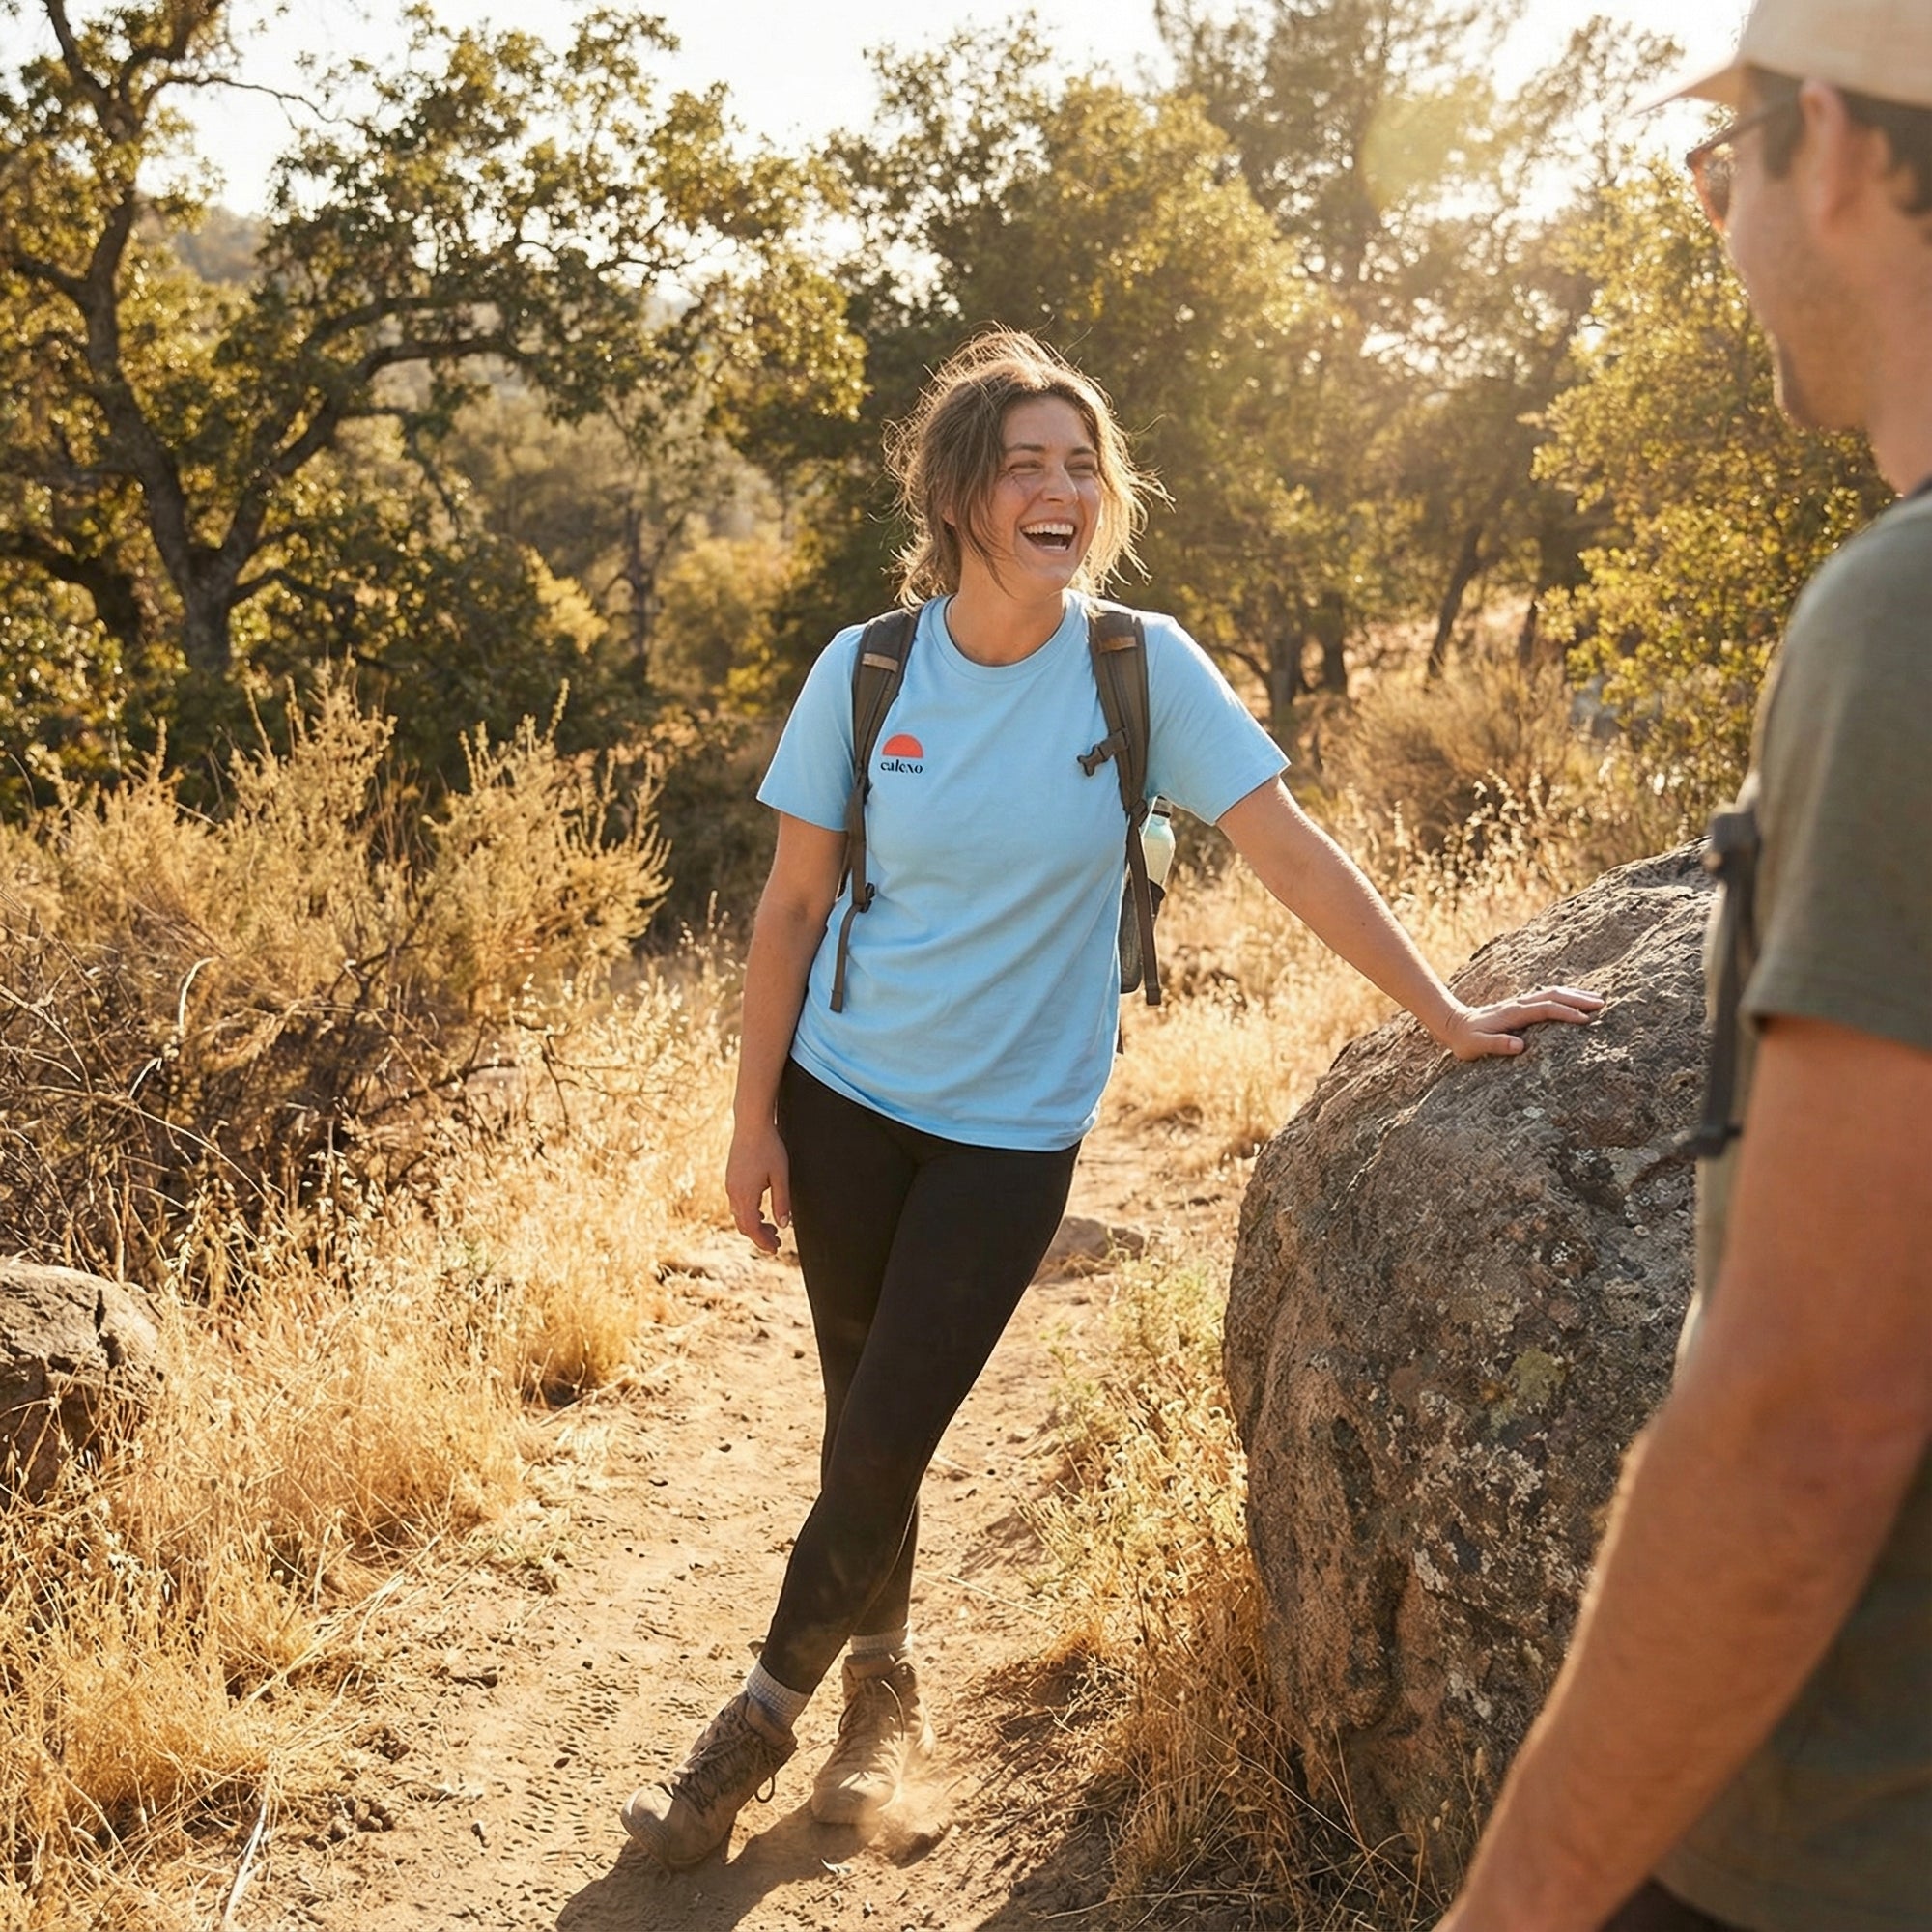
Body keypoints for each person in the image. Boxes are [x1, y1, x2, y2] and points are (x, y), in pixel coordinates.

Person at [620, 329, 1603, 1871]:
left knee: (887, 1429)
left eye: (1081, 465)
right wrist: (753, 1122)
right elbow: (793, 906)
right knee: (864, 1420)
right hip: (847, 1096)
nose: (1061, 490)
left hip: (1011, 1133)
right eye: (1027, 464)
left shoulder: (1138, 669)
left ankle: (749, 1728)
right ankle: (883, 1690)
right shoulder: (870, 669)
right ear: (961, 496)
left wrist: (1446, 1010)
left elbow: (1289, 850)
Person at [1436, 4, 1932, 1929]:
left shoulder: (1900, 628)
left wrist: (1520, 1901)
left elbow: (1815, 1412)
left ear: (1837, 144)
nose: (1717, 223)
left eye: (1723, 165)